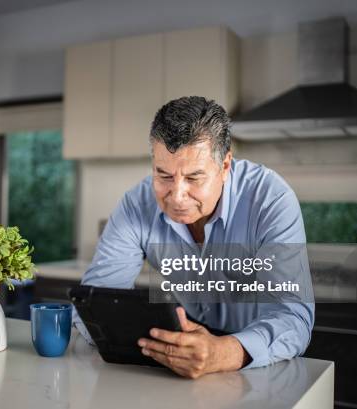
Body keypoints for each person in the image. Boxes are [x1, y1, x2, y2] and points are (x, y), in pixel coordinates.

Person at [73, 96, 314, 379]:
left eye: (194, 178)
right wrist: (157, 346)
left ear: (224, 167)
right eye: (163, 175)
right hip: (179, 358)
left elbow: (293, 318)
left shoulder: (271, 200)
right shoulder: (137, 204)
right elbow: (94, 301)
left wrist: (222, 352)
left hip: (255, 361)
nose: (176, 197)